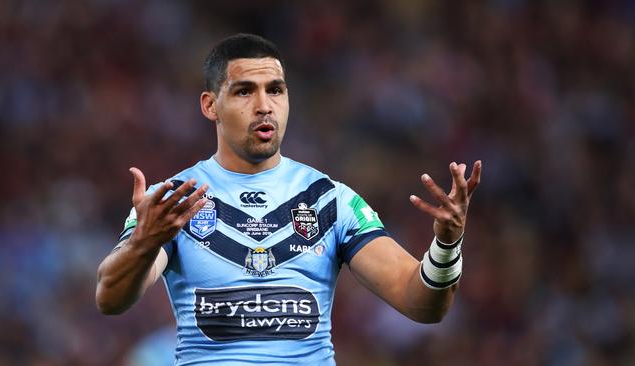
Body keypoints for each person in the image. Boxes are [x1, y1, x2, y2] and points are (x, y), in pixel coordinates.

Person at [96, 33, 482, 365]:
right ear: (210, 105)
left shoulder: (331, 201)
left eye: (275, 90)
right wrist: (144, 242)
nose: (264, 105)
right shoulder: (173, 200)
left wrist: (447, 243)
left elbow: (422, 304)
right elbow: (110, 298)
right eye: (245, 90)